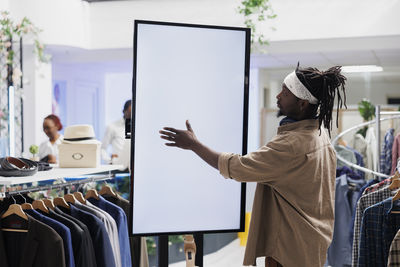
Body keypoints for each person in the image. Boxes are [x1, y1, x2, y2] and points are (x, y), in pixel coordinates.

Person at [159, 64, 347, 267]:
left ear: (302, 103)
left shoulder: (292, 144)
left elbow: (237, 167)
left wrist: (194, 145)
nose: (277, 97)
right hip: (312, 242)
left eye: (284, 93)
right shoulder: (320, 133)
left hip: (290, 247)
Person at [101, 100, 131, 169]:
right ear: (124, 111)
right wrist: (109, 161)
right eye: (129, 113)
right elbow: (102, 148)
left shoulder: (137, 128)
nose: (131, 117)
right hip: (118, 167)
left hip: (133, 168)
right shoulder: (112, 126)